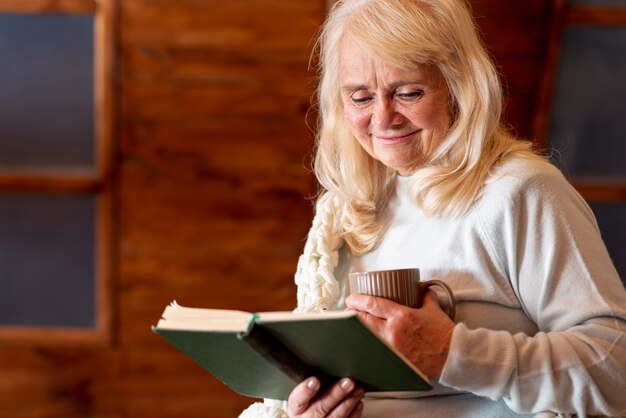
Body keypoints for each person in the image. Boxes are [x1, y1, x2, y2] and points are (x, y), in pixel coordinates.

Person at [240, 0, 626, 416]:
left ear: (460, 84)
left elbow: (614, 369)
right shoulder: (345, 211)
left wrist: (452, 354)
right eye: (360, 97)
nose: (383, 118)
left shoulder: (520, 192)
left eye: (408, 92)